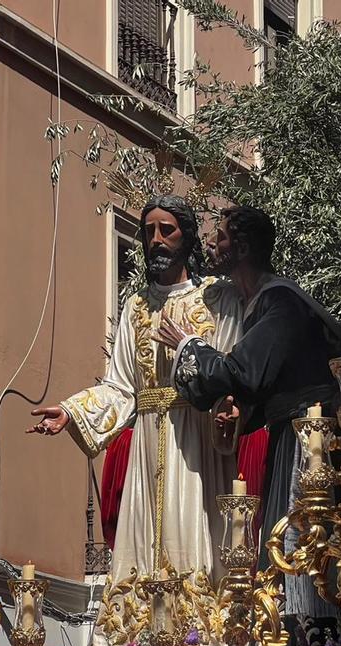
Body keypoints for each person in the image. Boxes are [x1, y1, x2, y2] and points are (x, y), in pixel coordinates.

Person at [154, 205, 341, 628]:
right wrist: (239, 413)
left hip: (310, 440)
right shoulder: (260, 302)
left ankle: (311, 640)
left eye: (221, 236)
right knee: (284, 540)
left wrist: (188, 344)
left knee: (300, 542)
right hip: (292, 432)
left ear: (242, 246)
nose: (213, 244)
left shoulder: (280, 300)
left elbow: (246, 372)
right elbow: (259, 386)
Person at [28, 195, 244, 581]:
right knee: (144, 549)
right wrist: (73, 411)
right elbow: (122, 387)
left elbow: (231, 370)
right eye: (148, 232)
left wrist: (229, 406)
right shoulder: (136, 307)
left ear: (187, 237)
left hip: (196, 437)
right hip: (147, 441)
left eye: (167, 230)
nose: (156, 240)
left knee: (192, 532)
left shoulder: (218, 297)